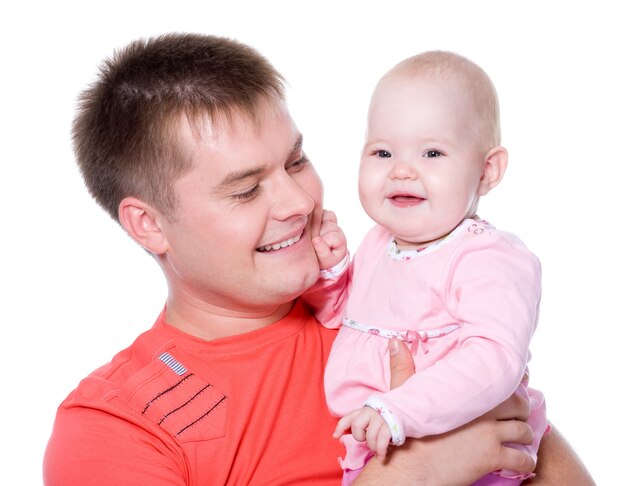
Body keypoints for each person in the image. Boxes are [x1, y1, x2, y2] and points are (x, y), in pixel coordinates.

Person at [43, 34, 592, 485]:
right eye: (245, 190)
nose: (300, 202)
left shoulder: (402, 307)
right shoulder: (113, 426)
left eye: (297, 160)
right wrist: (410, 476)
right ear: (149, 224)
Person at [304, 51, 547, 485]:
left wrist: (401, 410)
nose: (401, 170)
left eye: (432, 152)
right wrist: (329, 273)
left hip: (473, 457)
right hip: (380, 450)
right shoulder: (380, 242)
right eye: (382, 151)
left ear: (487, 171)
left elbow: (495, 359)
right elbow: (351, 318)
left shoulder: (486, 258)